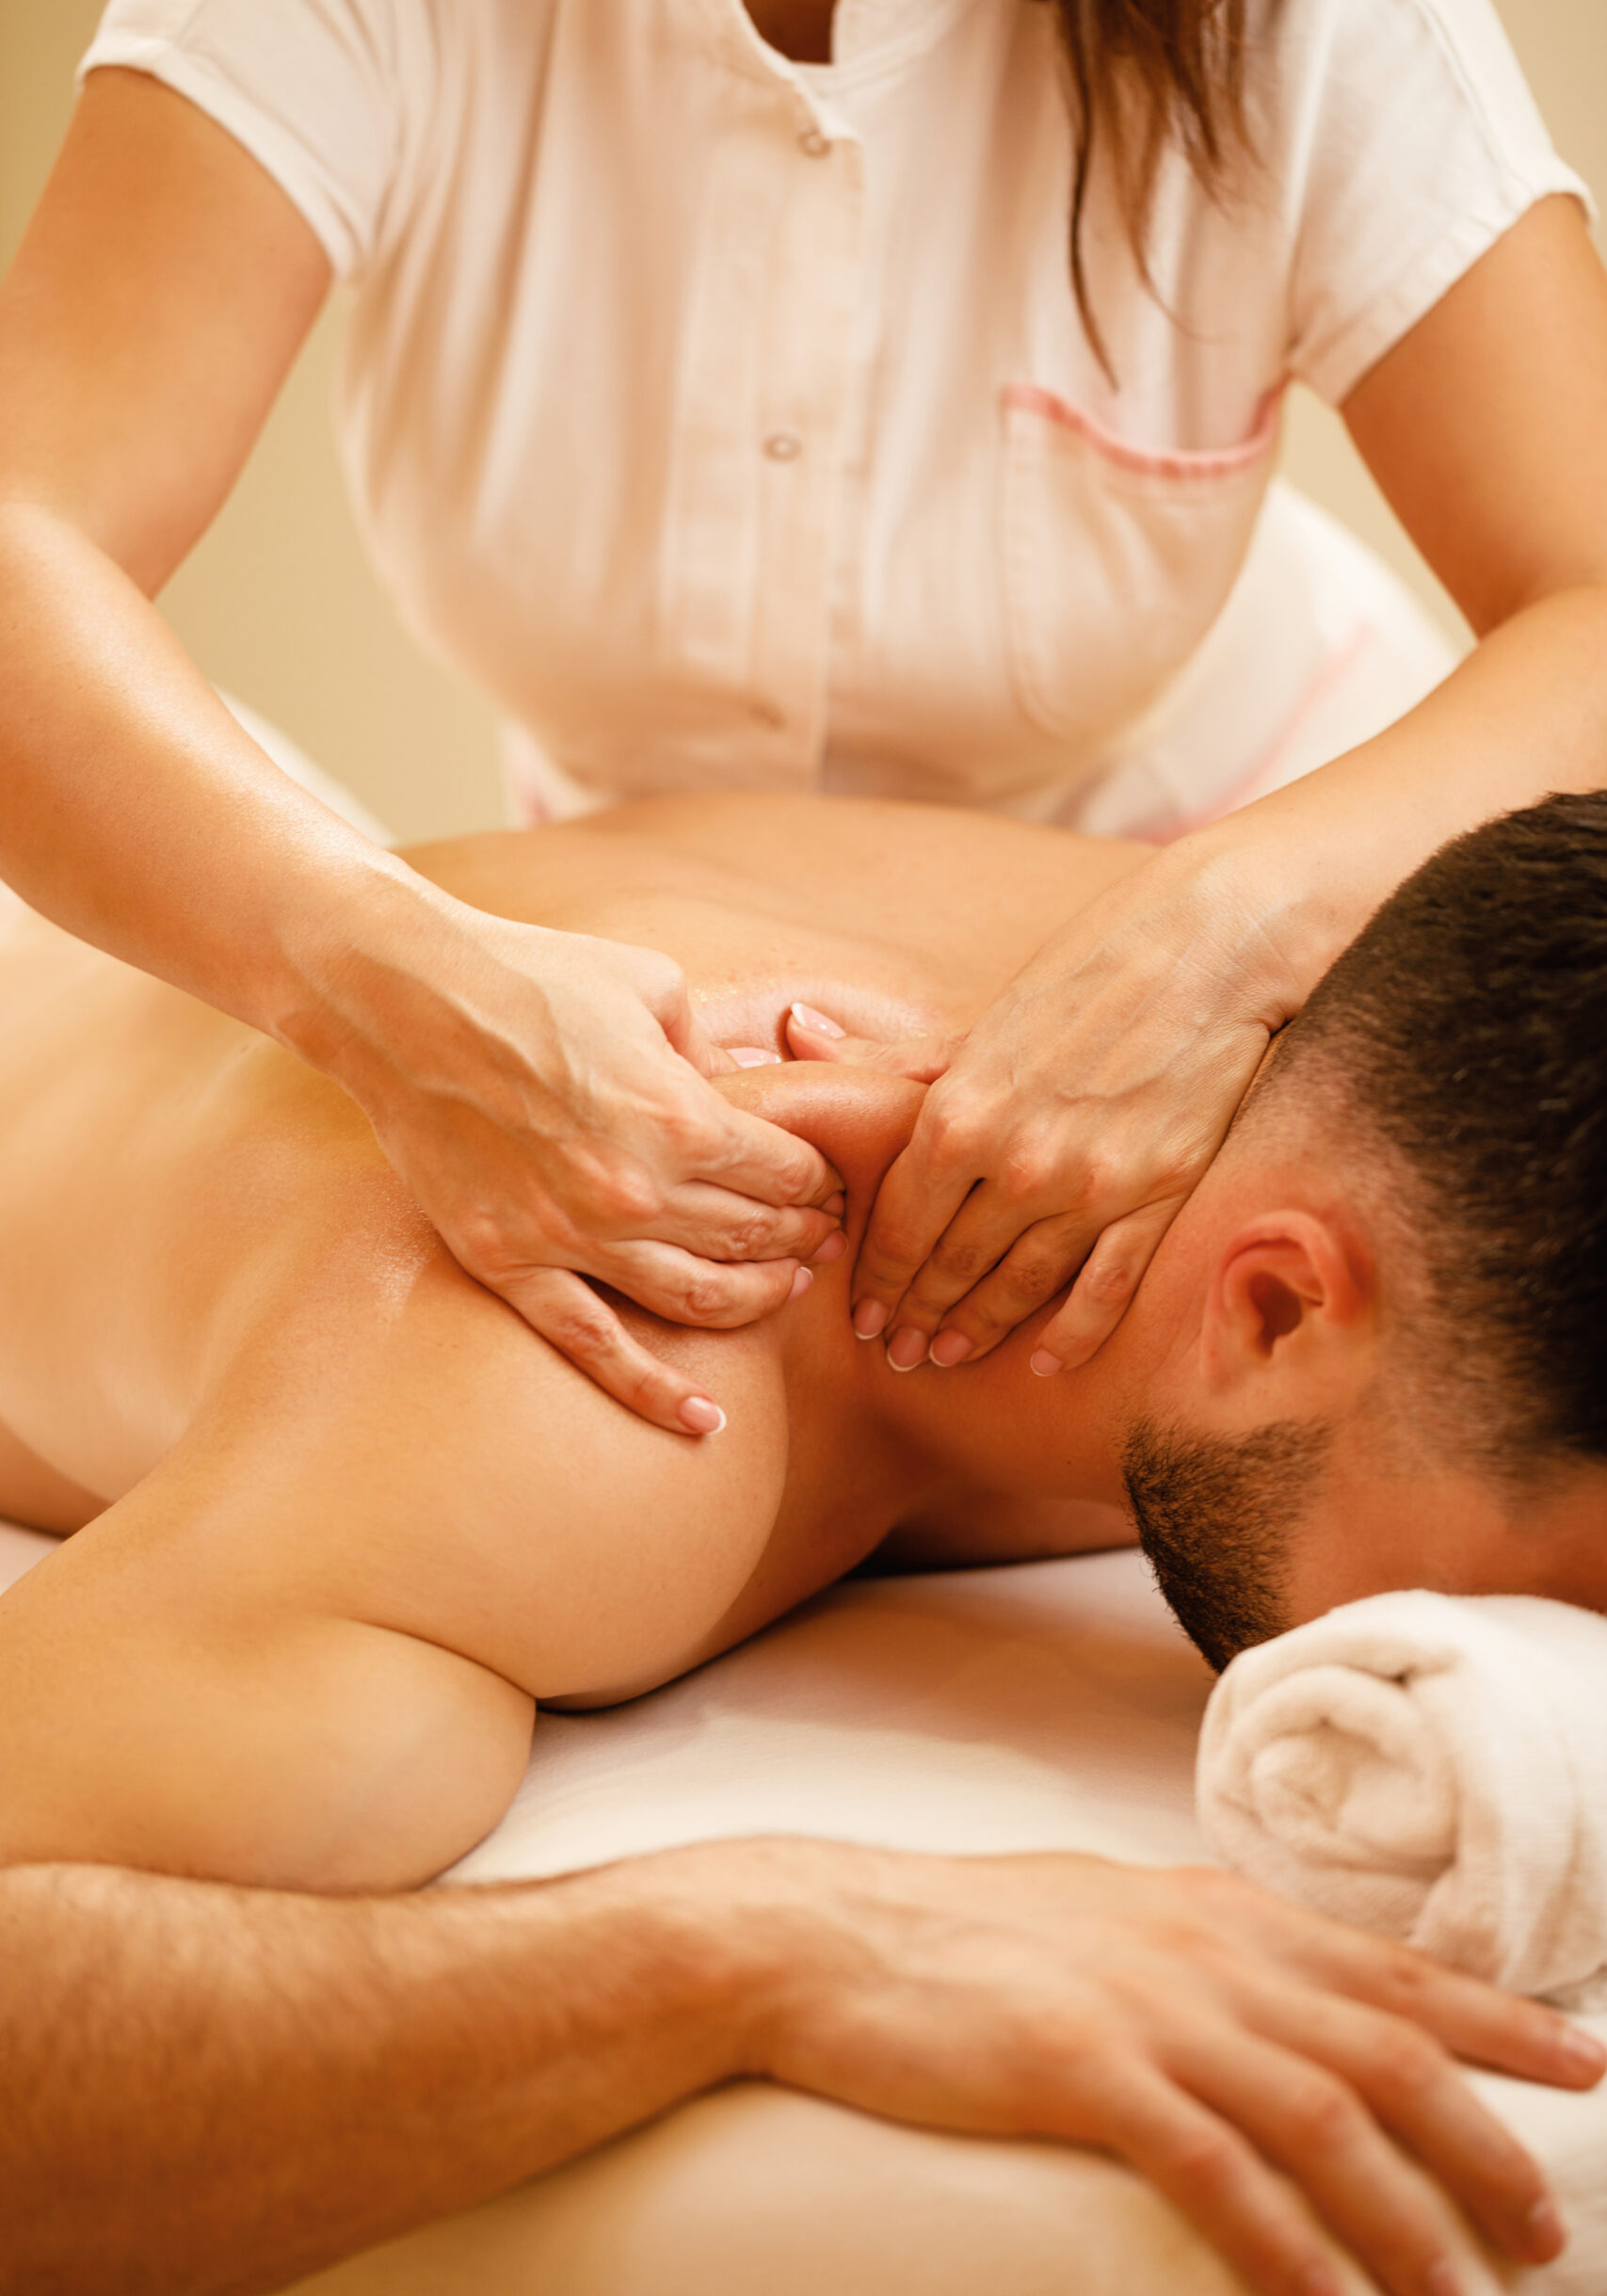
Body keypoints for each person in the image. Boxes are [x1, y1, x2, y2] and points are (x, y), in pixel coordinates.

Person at [2, 0, 1605, 1438]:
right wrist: (373, 976)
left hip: (1263, 902)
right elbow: (25, 538)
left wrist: (1227, 939)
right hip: (671, 929)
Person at [3, 786, 1605, 2296]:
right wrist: (764, 1953)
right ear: (1273, 1306)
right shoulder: (585, 1408)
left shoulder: (1324, 1035)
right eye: (1581, 1607)